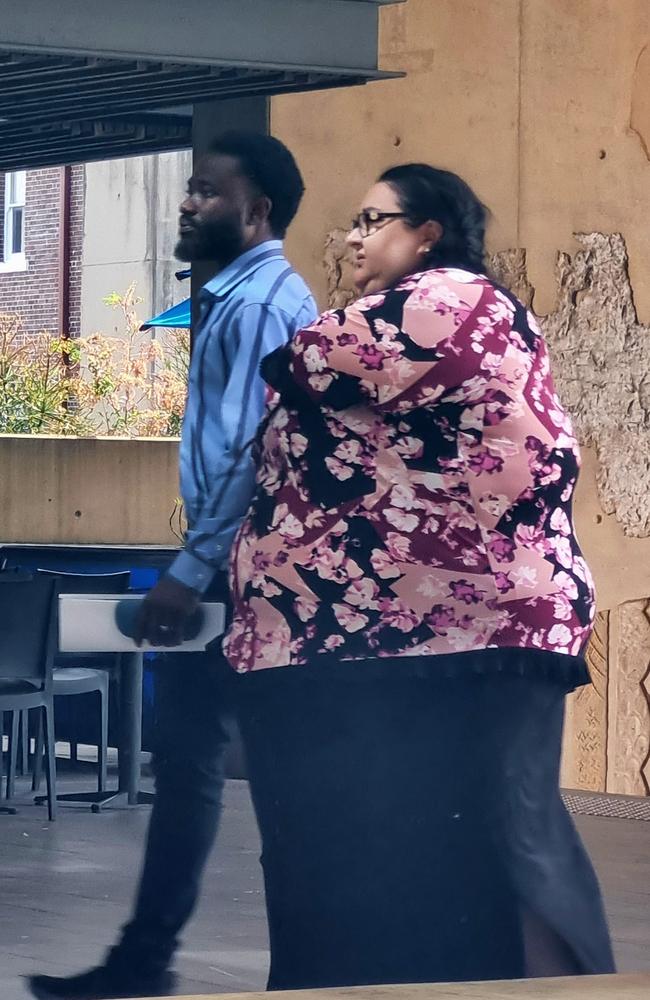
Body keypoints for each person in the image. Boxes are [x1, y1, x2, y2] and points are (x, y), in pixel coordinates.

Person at [226, 163, 616, 988]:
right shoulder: (426, 310)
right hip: (393, 635)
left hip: (462, 628)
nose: (354, 238)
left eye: (374, 220)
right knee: (407, 848)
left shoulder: (450, 297)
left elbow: (303, 359)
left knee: (501, 842)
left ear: (428, 232)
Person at [29, 132, 317, 1000]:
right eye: (188, 189)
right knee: (194, 766)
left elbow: (248, 451)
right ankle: (143, 962)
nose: (187, 204)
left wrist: (191, 570)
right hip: (237, 563)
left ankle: (300, 965)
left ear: (256, 210)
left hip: (247, 571)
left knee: (258, 773)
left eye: (205, 191)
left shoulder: (263, 303)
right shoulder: (234, 297)